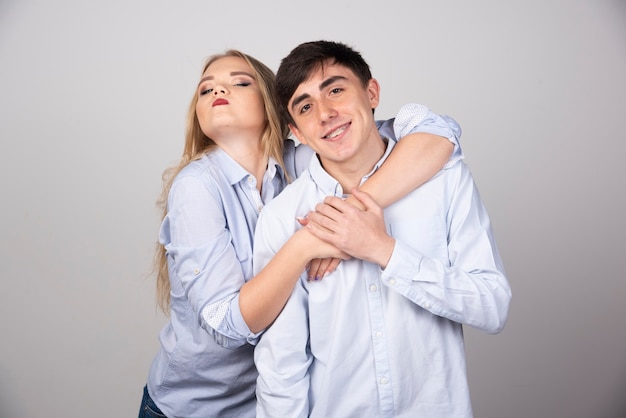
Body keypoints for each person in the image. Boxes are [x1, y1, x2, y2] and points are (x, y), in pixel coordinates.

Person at [139, 48, 462, 418]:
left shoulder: (301, 161)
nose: (217, 92)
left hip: (274, 402)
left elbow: (438, 136)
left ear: (274, 107)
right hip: (196, 409)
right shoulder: (196, 187)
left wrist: (348, 215)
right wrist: (310, 241)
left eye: (239, 82)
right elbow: (228, 325)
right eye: (205, 89)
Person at [253, 40, 512, 418]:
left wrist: (386, 252)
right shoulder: (283, 218)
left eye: (336, 90)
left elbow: (492, 306)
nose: (325, 114)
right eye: (306, 107)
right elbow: (282, 368)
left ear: (371, 93)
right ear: (298, 132)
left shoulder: (443, 179)